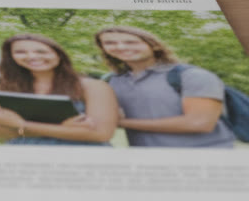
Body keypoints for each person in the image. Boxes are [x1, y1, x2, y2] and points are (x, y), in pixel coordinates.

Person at [94, 25, 235, 148]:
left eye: (131, 42)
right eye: (110, 43)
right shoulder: (111, 81)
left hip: (203, 158)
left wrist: (122, 123)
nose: (120, 47)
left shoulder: (192, 76)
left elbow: (199, 123)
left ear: (154, 45)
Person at [0, 33, 117, 146]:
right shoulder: (2, 85)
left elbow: (101, 134)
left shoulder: (93, 86)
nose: (31, 56)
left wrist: (21, 125)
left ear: (59, 55)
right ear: (11, 57)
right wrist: (66, 128)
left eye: (41, 51)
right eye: (20, 52)